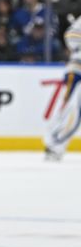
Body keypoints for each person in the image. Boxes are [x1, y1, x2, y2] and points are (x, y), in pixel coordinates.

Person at [45, 16, 81, 160]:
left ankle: (55, 145)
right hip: (76, 70)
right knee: (67, 108)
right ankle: (53, 143)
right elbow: (70, 35)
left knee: (77, 113)